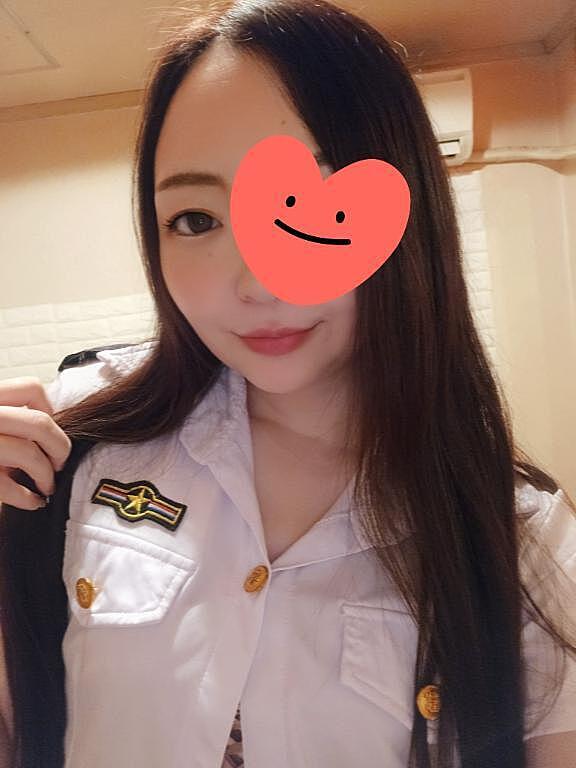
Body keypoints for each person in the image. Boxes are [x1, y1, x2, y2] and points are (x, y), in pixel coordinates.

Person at [0, 1, 575, 766]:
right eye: (196, 220)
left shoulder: (521, 542)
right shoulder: (73, 447)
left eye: (312, 210)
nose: (259, 281)